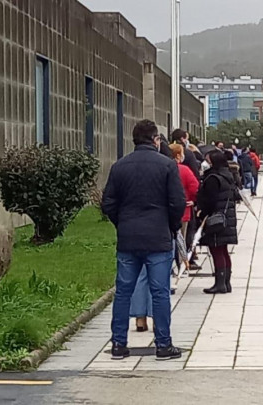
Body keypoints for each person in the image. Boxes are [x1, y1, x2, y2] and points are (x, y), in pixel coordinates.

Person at [102, 119, 186, 361]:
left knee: (123, 292)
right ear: (156, 140)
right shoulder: (167, 166)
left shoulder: (119, 166)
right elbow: (177, 202)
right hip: (158, 238)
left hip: (128, 239)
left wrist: (123, 223)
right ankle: (163, 345)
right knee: (160, 292)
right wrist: (171, 225)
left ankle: (119, 344)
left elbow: (108, 203)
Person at [197, 150, 241, 294]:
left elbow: (209, 200)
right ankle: (226, 282)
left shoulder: (213, 178)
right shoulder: (228, 175)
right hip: (226, 218)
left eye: (208, 160)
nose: (206, 163)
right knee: (223, 250)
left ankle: (220, 283)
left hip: (215, 219)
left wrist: (202, 213)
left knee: (216, 250)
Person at [170, 144, 199, 276]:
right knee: (181, 238)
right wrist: (193, 200)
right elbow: (195, 187)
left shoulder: (164, 168)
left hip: (166, 210)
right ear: (177, 155)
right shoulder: (184, 170)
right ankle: (181, 264)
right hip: (184, 208)